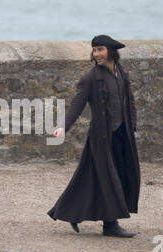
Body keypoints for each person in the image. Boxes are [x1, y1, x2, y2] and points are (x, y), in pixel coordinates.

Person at [47, 35, 141, 238]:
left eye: (101, 50)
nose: (97, 54)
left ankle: (74, 213)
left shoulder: (122, 73)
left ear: (111, 51)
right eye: (95, 50)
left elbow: (130, 100)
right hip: (101, 139)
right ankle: (110, 225)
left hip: (122, 135)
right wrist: (63, 127)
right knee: (108, 179)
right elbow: (76, 106)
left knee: (93, 179)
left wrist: (132, 124)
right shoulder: (90, 78)